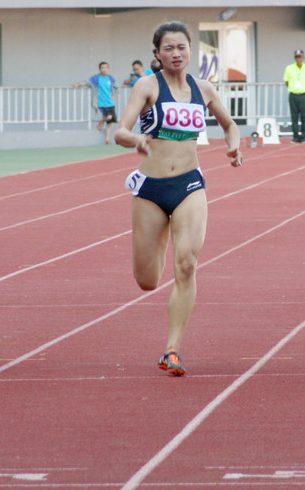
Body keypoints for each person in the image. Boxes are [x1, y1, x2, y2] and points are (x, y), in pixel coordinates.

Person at [115, 21, 243, 376]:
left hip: (189, 185)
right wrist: (135, 140)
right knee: (147, 280)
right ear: (157, 53)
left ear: (191, 51)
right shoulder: (147, 86)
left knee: (187, 263)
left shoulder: (203, 88)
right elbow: (120, 130)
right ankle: (153, 261)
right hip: (150, 190)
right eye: (168, 48)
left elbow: (230, 124)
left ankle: (172, 349)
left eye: (182, 47)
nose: (176, 53)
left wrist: (233, 145)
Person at [75, 62, 119, 144]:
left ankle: (107, 139)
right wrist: (78, 84)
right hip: (101, 103)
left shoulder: (110, 78)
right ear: (100, 69)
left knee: (110, 123)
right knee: (109, 117)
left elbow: (117, 86)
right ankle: (101, 121)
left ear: (108, 69)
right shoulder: (96, 78)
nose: (104, 69)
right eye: (103, 67)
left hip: (110, 103)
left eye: (106, 67)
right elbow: (87, 83)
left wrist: (114, 95)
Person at [283, 49, 305, 143]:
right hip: (293, 95)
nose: (298, 59)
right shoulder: (289, 68)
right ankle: (295, 136)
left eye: (300, 57)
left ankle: (303, 136)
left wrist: (303, 89)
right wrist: (294, 89)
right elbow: (287, 81)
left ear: (303, 58)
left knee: (304, 117)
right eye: (296, 57)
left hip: (304, 95)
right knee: (294, 117)